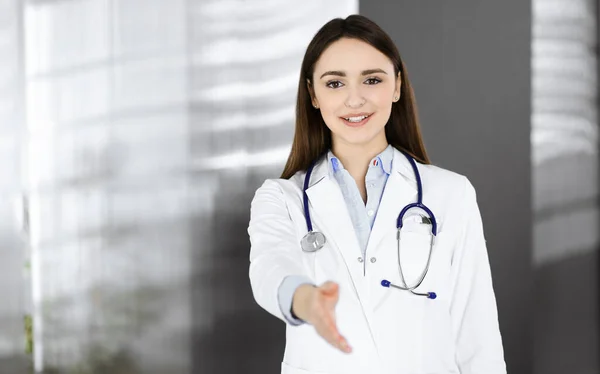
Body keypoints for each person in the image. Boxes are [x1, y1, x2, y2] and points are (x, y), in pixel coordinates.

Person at [247, 14, 506, 374]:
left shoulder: (451, 193)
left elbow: (477, 335)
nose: (355, 99)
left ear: (397, 86)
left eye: (372, 79)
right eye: (335, 83)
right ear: (313, 95)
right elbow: (269, 268)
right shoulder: (281, 198)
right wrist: (305, 299)